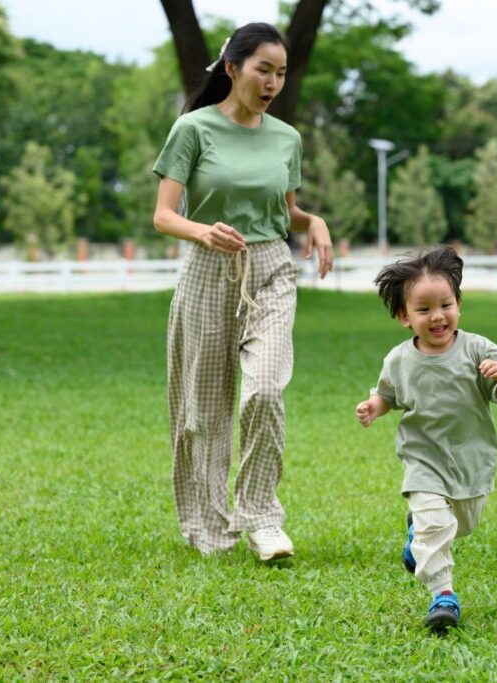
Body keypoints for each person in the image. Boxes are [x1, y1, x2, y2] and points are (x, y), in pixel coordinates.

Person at [151, 22, 333, 561]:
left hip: (271, 268)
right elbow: (163, 215)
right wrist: (202, 231)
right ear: (232, 69)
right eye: (263, 70)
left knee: (266, 391)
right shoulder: (193, 129)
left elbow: (284, 211)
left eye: (281, 73)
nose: (273, 82)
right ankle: (209, 525)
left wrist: (313, 221)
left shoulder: (287, 138)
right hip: (209, 272)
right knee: (203, 413)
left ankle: (261, 518)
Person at [355, 246, 497, 631]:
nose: (437, 316)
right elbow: (387, 394)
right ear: (404, 317)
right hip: (423, 460)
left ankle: (416, 534)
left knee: (460, 526)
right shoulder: (398, 359)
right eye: (424, 309)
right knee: (437, 527)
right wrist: (373, 407)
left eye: (446, 305)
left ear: (459, 305)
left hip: (472, 459)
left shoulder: (477, 348)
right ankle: (443, 595)